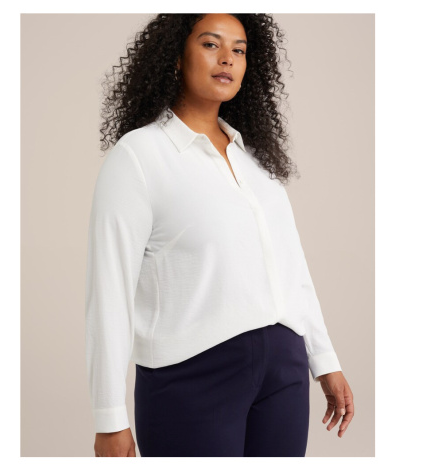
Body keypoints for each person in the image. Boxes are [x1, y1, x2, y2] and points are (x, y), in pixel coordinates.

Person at [85, 13, 354, 457]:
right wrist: (109, 416)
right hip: (191, 377)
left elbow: (292, 267)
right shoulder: (139, 156)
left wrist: (324, 360)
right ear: (176, 56)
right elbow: (109, 290)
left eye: (239, 50)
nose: (227, 58)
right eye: (211, 44)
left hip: (283, 373)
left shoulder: (256, 161)